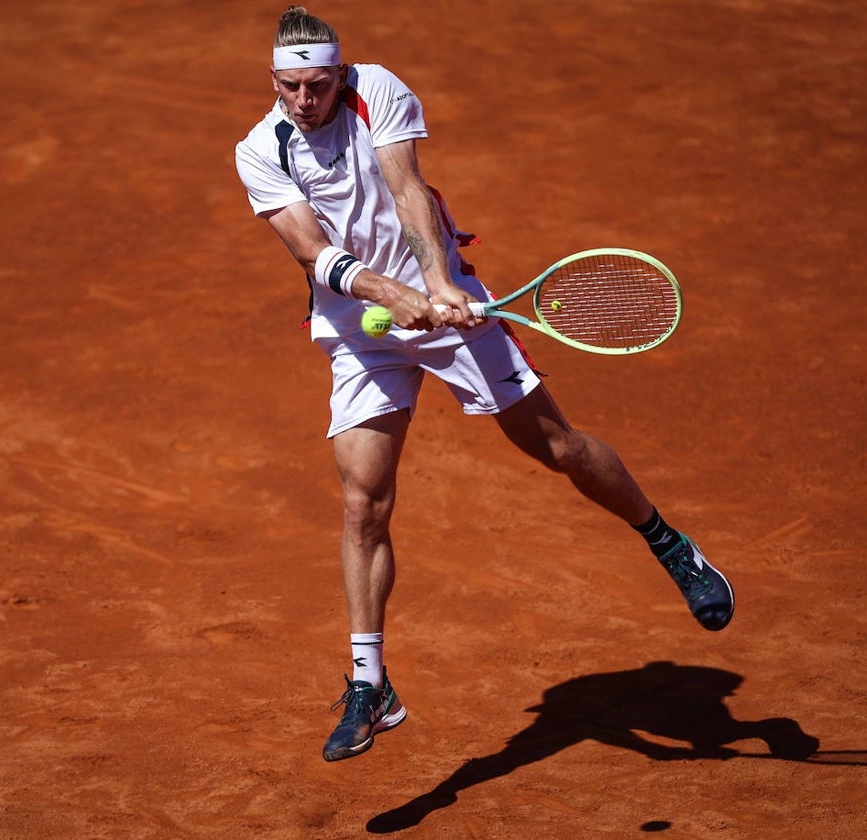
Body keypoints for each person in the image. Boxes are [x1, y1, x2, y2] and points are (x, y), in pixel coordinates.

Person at [233, 6, 734, 764]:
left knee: (558, 447)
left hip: (443, 302)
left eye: (318, 84)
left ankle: (670, 543)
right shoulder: (258, 148)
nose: (305, 101)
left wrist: (435, 279)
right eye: (290, 86)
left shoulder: (380, 93)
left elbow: (407, 189)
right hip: (359, 333)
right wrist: (391, 297)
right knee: (362, 498)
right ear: (273, 81)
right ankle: (372, 686)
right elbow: (310, 251)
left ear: (342, 73)